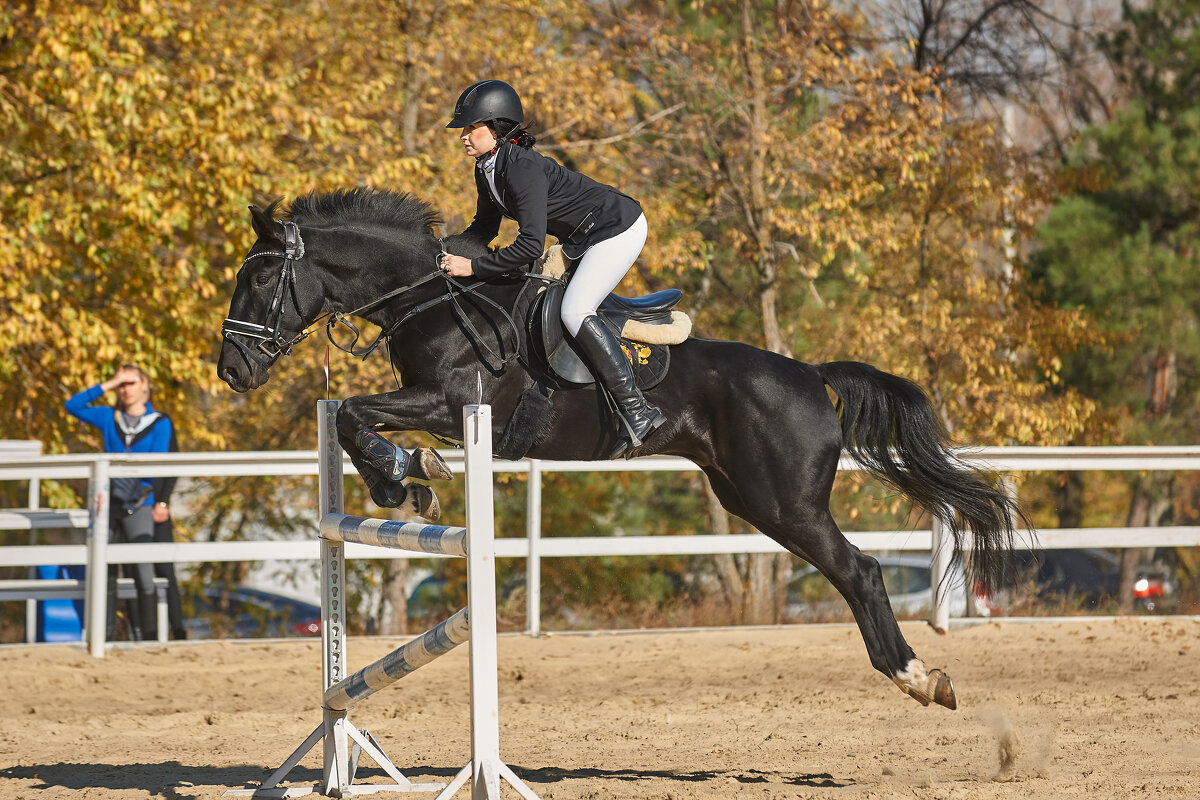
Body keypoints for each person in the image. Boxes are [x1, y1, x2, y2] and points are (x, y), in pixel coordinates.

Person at [440, 79, 665, 458]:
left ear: (496, 129)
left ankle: (638, 412)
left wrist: (474, 268)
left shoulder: (522, 168)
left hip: (616, 228)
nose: (462, 136)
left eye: (470, 128)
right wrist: (443, 253)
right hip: (583, 236)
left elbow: (530, 244)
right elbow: (483, 229)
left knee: (575, 311)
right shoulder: (487, 167)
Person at [65, 364, 176, 641]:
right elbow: (72, 405)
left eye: (131, 382)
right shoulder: (107, 417)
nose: (126, 389)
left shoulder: (160, 423)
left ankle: (148, 638)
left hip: (141, 503)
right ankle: (106, 637)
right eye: (122, 384)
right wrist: (109, 383)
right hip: (108, 504)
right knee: (105, 572)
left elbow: (158, 464)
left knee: (143, 571)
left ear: (145, 386)